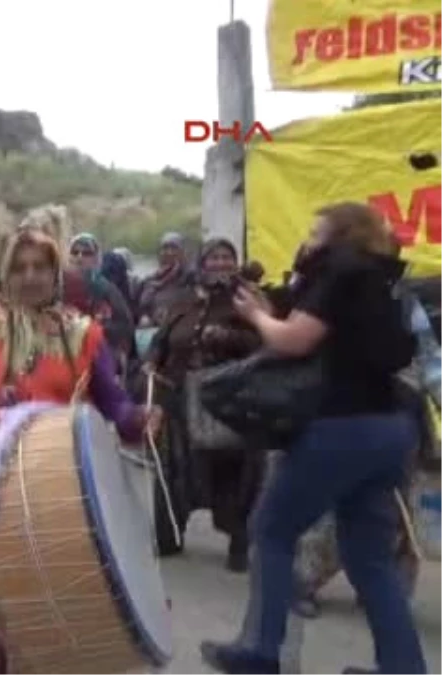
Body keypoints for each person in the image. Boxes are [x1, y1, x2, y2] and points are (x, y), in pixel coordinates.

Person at [201, 203, 425, 675]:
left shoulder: (340, 272)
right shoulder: (382, 279)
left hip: (341, 427)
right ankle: (403, 667)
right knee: (369, 557)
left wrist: (258, 319)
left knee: (272, 530)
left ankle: (262, 651)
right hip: (391, 427)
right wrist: (270, 311)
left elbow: (295, 341)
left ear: (341, 234)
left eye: (315, 229)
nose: (308, 236)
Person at [0, 228, 157, 675]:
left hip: (58, 495)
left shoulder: (85, 335)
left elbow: (113, 402)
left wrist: (137, 419)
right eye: (19, 268)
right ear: (5, 275)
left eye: (40, 267)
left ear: (54, 273)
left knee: (48, 611)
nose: (30, 277)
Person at [145, 238, 264, 571]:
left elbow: (264, 342)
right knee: (177, 469)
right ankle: (168, 534)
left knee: (234, 471)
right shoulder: (185, 299)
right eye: (214, 257)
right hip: (181, 396)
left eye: (227, 258)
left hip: (230, 400)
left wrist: (228, 338)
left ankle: (240, 543)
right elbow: (162, 339)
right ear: (202, 262)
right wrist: (153, 359)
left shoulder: (249, 299)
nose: (220, 264)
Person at [66, 233, 135, 366]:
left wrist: (92, 328)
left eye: (86, 253)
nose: (79, 257)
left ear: (96, 258)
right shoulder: (58, 286)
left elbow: (125, 325)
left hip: (99, 350)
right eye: (75, 252)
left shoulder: (106, 289)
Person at [136, 232, 193, 328]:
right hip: (153, 333)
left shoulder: (191, 279)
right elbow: (139, 309)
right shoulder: (149, 281)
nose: (169, 252)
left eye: (174, 248)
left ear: (183, 252)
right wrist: (145, 317)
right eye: (165, 248)